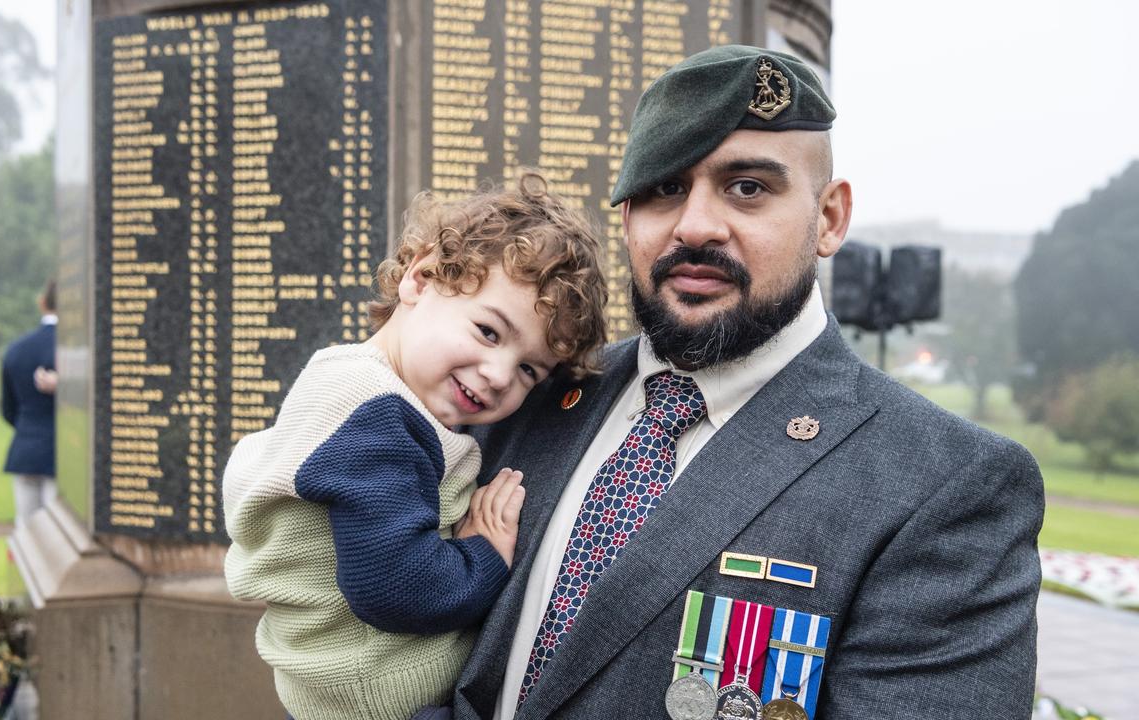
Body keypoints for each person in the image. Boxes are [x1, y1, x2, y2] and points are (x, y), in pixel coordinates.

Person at [450, 46, 1044, 719]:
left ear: (829, 219)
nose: (696, 225)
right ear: (626, 218)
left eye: (748, 188)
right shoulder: (524, 396)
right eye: (664, 188)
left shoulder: (944, 486)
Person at [222, 173, 609, 720]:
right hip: (375, 698)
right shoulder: (377, 414)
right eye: (489, 332)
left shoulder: (367, 388)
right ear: (421, 280)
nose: (499, 375)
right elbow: (398, 587)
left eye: (529, 369)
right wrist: (485, 555)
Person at [1, 279, 59, 529]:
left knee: (28, 532)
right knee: (59, 533)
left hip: (26, 448)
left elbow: (8, 409)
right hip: (64, 452)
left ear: (42, 303)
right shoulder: (78, 349)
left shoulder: (16, 349)